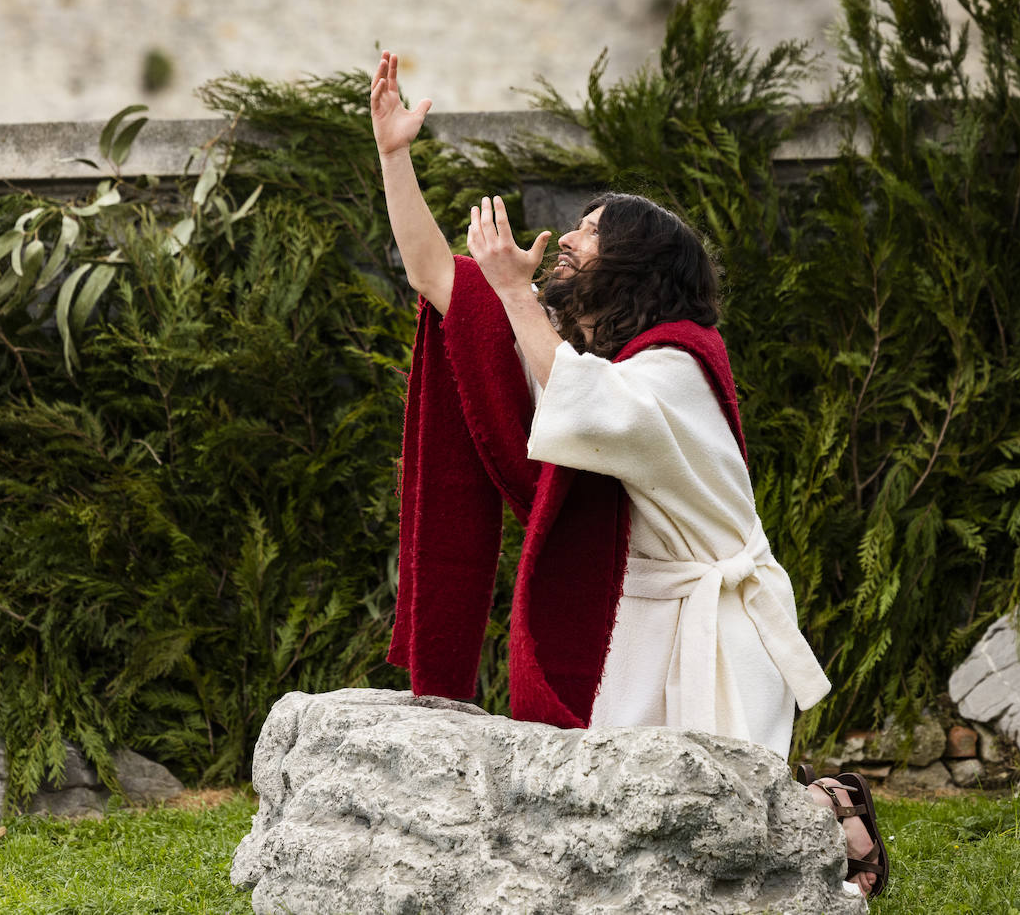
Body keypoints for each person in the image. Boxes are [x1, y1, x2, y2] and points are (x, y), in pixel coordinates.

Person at [369, 50, 888, 898]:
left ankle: (832, 815)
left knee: (725, 860)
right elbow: (443, 286)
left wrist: (515, 297)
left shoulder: (681, 365)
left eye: (588, 230)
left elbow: (593, 407)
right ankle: (828, 806)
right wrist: (395, 157)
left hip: (717, 636)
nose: (566, 238)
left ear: (635, 266)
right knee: (620, 856)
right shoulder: (587, 364)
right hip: (628, 631)